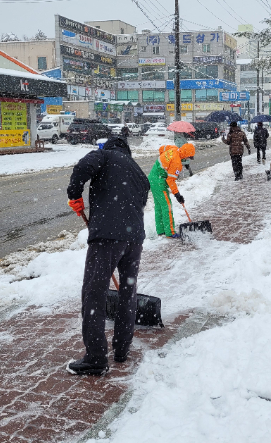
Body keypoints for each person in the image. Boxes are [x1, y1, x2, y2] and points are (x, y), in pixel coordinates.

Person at [66, 137, 151, 376]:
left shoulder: (104, 156)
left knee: (94, 292)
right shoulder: (137, 171)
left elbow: (82, 167)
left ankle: (96, 357)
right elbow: (139, 201)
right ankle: (122, 349)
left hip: (107, 238)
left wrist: (75, 194)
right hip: (134, 239)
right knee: (128, 291)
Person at [148, 142, 196, 238]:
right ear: (185, 155)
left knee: (159, 206)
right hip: (159, 181)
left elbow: (162, 148)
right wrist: (177, 194)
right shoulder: (177, 163)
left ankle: (161, 231)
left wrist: (165, 161)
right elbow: (170, 180)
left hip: (152, 178)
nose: (187, 159)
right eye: (188, 157)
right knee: (167, 206)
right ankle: (170, 232)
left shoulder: (173, 148)